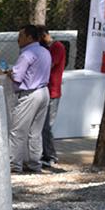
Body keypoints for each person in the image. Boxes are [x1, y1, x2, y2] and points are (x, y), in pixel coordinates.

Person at [9, 24, 51, 175]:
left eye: (21, 36)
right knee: (35, 132)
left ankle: (14, 165)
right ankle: (34, 163)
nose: (18, 39)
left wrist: (9, 73)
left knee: (18, 131)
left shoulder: (27, 54)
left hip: (30, 94)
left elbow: (17, 76)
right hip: (44, 91)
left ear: (29, 37)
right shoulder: (44, 51)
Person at [38, 26, 66, 170]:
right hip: (45, 90)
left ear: (44, 36)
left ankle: (51, 156)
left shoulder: (57, 47)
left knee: (47, 126)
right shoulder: (47, 48)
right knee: (42, 126)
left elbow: (49, 65)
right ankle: (44, 153)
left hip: (52, 91)